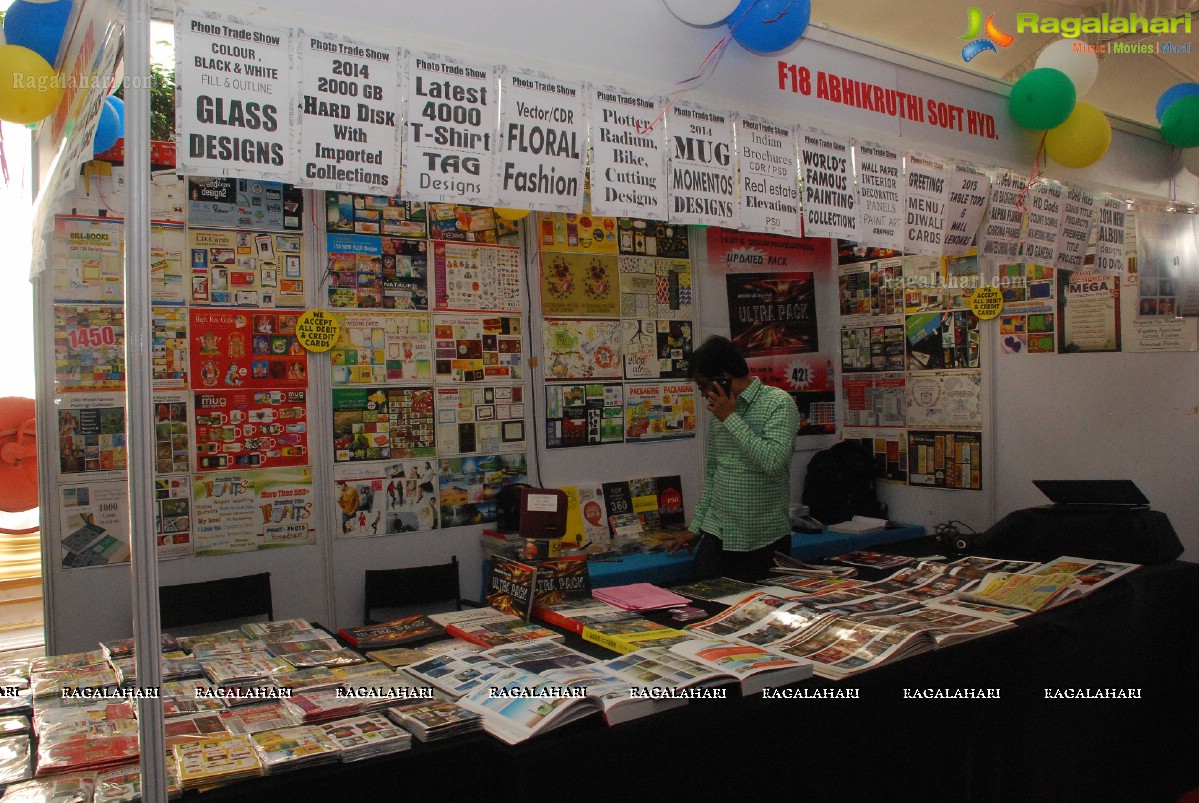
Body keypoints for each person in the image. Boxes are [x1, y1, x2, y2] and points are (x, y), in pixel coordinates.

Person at [669, 335, 800, 580]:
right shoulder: (719, 412)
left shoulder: (778, 403)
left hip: (762, 538)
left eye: (704, 386)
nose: (703, 394)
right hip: (719, 533)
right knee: (704, 604)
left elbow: (773, 461)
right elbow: (714, 472)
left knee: (760, 612)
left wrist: (731, 419)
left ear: (724, 377)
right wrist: (697, 526)